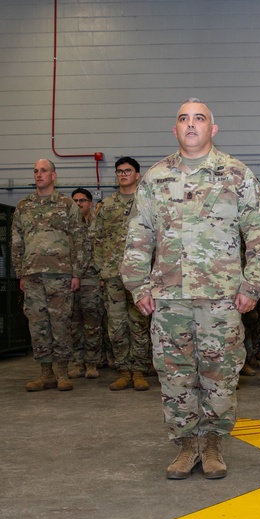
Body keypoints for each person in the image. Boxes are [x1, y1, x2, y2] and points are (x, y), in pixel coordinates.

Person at [121, 99, 260, 480]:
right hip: (168, 297)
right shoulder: (155, 178)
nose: (191, 124)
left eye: (199, 118)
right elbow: (138, 236)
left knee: (219, 373)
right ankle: (186, 444)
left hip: (221, 296)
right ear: (174, 130)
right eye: (183, 119)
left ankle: (213, 443)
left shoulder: (236, 174)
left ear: (213, 129)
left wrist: (252, 286)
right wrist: (138, 286)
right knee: (174, 374)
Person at [11, 158, 86, 392]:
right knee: (37, 325)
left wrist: (77, 272)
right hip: (32, 275)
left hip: (60, 274)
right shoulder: (24, 206)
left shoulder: (66, 205)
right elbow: (16, 241)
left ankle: (63, 373)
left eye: (43, 171)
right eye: (35, 171)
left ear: (54, 176)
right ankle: (46, 374)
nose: (39, 174)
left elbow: (81, 239)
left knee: (61, 323)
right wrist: (20, 274)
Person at [92, 157, 152, 392]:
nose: (123, 174)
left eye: (128, 171)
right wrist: (101, 267)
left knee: (139, 323)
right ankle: (124, 371)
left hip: (140, 275)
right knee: (116, 325)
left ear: (137, 175)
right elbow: (95, 238)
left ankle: (139, 371)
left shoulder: (147, 203)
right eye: (119, 171)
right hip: (113, 274)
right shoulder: (106, 206)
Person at [68, 187, 104, 380]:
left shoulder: (98, 224)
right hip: (71, 279)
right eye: (75, 200)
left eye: (82, 200)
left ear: (90, 203)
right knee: (74, 324)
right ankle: (78, 363)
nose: (78, 204)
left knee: (92, 324)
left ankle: (92, 363)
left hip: (91, 279)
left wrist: (102, 276)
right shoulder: (67, 225)